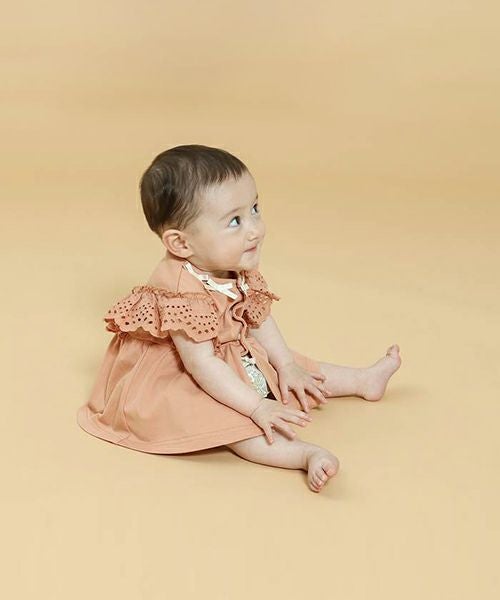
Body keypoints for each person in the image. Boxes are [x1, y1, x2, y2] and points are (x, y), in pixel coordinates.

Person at [76, 144, 402, 493]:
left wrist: (286, 364)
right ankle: (304, 455)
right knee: (229, 421)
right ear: (181, 244)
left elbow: (259, 320)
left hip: (233, 355)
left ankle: (362, 381)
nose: (255, 229)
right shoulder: (181, 291)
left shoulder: (230, 263)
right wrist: (256, 406)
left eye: (255, 209)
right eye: (235, 221)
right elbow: (202, 365)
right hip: (188, 373)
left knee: (299, 372)